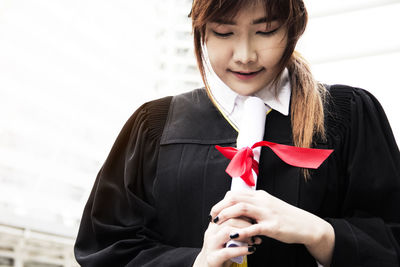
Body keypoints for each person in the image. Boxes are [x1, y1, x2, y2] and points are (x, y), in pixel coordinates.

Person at [74, 0, 400, 266]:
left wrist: (320, 234)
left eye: (266, 30)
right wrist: (196, 263)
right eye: (224, 32)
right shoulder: (154, 127)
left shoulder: (348, 116)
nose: (245, 55)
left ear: (293, 28)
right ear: (201, 33)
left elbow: (393, 239)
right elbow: (105, 249)